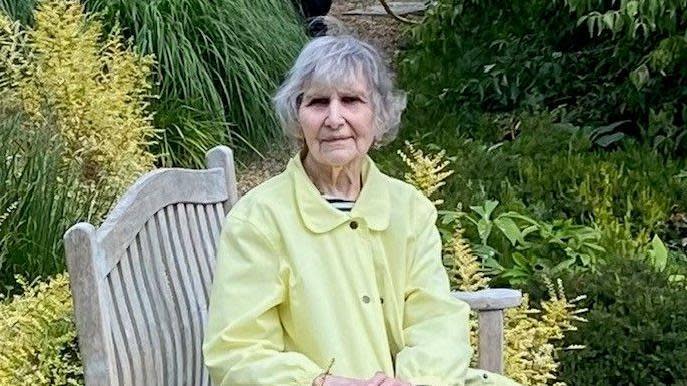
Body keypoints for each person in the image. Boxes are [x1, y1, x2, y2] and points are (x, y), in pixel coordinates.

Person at [202, 35, 520, 386]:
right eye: (318, 102)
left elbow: (436, 319)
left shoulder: (409, 209)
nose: (334, 118)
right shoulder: (259, 218)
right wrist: (324, 383)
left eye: (351, 100)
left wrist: (415, 382)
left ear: (379, 114)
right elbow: (237, 352)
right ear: (297, 116)